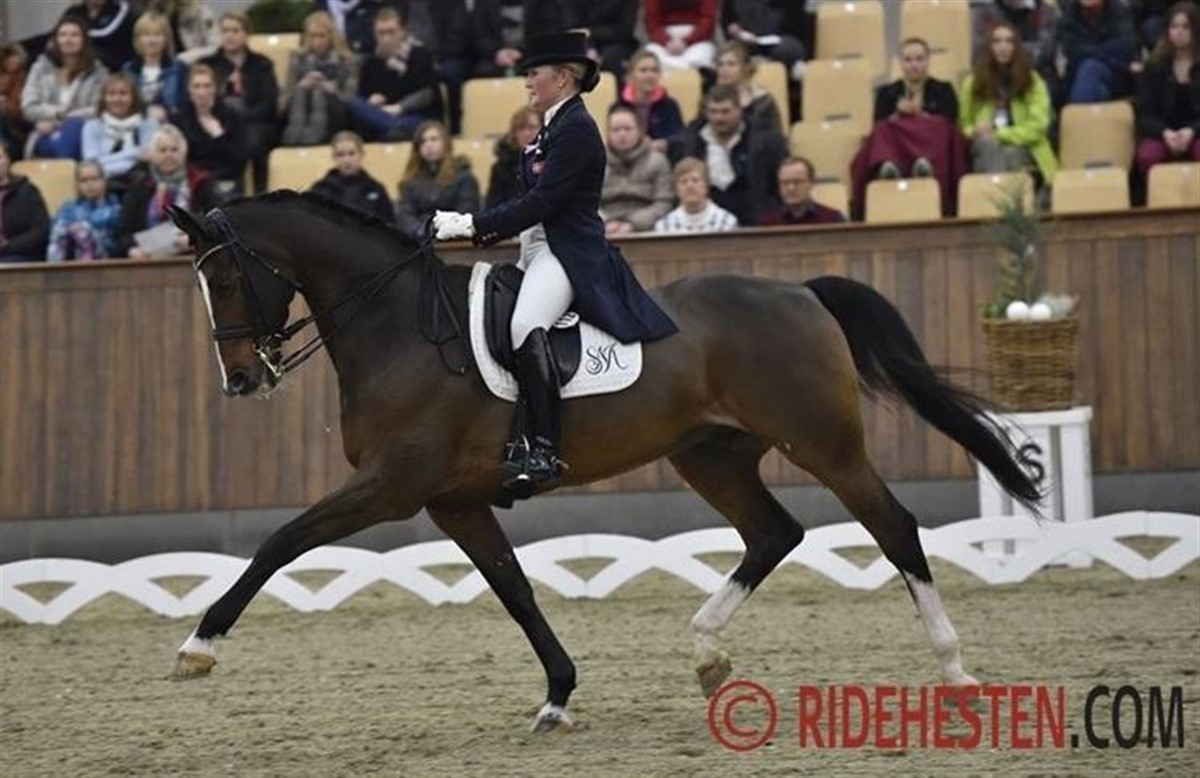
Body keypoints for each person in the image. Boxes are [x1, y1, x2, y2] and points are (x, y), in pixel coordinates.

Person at [430, 31, 677, 496]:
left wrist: (473, 224)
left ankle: (543, 447)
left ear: (562, 77)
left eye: (533, 73)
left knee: (525, 324)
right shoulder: (552, 127)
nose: (527, 82)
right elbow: (525, 202)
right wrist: (476, 226)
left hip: (568, 252)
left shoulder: (577, 128)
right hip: (537, 248)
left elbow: (543, 202)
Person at [849, 36, 968, 218]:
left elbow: (950, 122)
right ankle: (889, 166)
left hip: (930, 143)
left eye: (919, 59)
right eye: (908, 60)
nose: (914, 65)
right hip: (898, 144)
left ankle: (925, 167)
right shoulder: (887, 93)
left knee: (939, 126)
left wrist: (921, 114)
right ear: (901, 63)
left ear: (928, 61)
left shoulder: (943, 89)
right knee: (884, 128)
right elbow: (879, 123)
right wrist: (899, 115)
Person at [668, 83, 789, 226]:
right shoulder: (690, 142)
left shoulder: (765, 141)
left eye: (725, 112)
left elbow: (778, 184)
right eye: (713, 112)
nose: (719, 118)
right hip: (706, 222)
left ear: (739, 110)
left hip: (754, 220)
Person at [959, 22, 1058, 186]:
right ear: (989, 47)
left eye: (1008, 41)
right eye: (997, 41)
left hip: (1025, 146)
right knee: (988, 145)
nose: (1003, 47)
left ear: (1016, 47)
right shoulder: (972, 82)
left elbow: (1038, 126)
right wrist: (974, 130)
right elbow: (963, 125)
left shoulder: (1032, 81)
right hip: (985, 145)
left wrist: (1000, 134)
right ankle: (1005, 197)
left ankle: (996, 195)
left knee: (1008, 153)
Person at [200, 12, 279, 192]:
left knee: (252, 142)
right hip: (218, 120)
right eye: (225, 31)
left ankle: (260, 194)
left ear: (246, 34)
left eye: (235, 31)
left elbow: (268, 104)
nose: (229, 35)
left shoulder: (262, 64)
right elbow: (202, 99)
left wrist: (241, 119)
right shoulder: (208, 65)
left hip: (254, 122)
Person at [117, 124, 218, 258]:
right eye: (162, 150)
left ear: (184, 153)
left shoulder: (202, 182)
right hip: (149, 258)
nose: (169, 155)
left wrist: (195, 239)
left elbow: (216, 223)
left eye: (174, 150)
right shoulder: (139, 187)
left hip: (195, 256)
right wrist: (132, 249)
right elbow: (125, 233)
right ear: (152, 154)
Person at [346, 7, 441, 142]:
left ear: (402, 31)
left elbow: (428, 94)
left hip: (415, 116)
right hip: (380, 117)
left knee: (398, 130)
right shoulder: (371, 63)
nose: (386, 38)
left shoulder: (420, 55)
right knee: (354, 104)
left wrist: (400, 107)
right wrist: (371, 100)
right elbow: (363, 97)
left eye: (391, 32)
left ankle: (394, 127)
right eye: (381, 33)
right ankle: (393, 127)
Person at [21, 16, 109, 160]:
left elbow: (99, 108)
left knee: (74, 126)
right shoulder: (40, 68)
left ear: (84, 40)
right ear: (56, 40)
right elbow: (28, 107)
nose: (68, 40)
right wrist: (60, 114)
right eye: (63, 35)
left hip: (83, 135)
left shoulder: (98, 72)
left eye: (74, 35)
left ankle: (64, 168)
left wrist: (61, 119)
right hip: (45, 134)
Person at [1135, 1, 1200, 184]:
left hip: (1196, 131)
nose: (1179, 32)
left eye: (1186, 27)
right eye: (1174, 26)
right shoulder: (1153, 67)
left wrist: (1191, 130)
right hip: (1163, 132)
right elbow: (1145, 114)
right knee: (1147, 156)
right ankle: (1157, 199)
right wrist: (1165, 133)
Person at [281, 11, 360, 147]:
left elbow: (350, 98)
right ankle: (295, 136)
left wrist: (332, 90)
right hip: (302, 106)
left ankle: (314, 137)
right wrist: (301, 85)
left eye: (321, 36)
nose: (317, 41)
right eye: (313, 36)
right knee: (303, 92)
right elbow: (285, 97)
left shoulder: (347, 60)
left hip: (335, 111)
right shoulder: (298, 58)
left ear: (331, 36)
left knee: (319, 93)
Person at [394, 120, 481, 238]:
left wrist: (439, 231)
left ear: (446, 143)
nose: (428, 145)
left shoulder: (464, 177)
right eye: (423, 142)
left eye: (434, 139)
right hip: (418, 239)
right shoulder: (410, 181)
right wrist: (421, 232)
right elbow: (405, 215)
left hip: (454, 239)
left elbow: (467, 212)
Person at [173, 64, 245, 202]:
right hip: (191, 180)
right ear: (189, 89)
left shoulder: (231, 116)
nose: (202, 92)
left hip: (223, 179)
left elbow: (239, 161)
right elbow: (179, 159)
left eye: (207, 86)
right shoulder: (178, 119)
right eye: (197, 86)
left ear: (215, 88)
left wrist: (218, 135)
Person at [600, 104, 674, 234]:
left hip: (647, 231)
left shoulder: (658, 162)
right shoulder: (597, 163)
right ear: (608, 133)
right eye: (616, 130)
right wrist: (605, 223)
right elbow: (586, 203)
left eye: (627, 129)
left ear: (640, 130)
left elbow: (664, 203)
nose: (622, 134)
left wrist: (633, 224)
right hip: (604, 230)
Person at [81, 72, 159, 181]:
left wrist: (105, 164)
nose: (117, 99)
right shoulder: (92, 126)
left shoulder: (148, 123)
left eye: (123, 94)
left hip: (139, 181)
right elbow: (92, 165)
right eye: (111, 94)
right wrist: (134, 153)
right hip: (103, 183)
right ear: (104, 98)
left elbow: (150, 158)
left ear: (134, 97)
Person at [310, 130, 395, 224]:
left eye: (351, 153)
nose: (347, 160)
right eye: (340, 155)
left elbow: (389, 225)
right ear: (334, 157)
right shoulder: (320, 189)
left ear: (361, 154)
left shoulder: (376, 189)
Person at [1061, 0, 1138, 104]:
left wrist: (1091, 51)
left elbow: (1125, 47)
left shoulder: (1119, 10)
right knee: (1100, 90)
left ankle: (1079, 113)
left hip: (1116, 74)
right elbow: (1074, 53)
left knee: (1090, 68)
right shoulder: (1070, 14)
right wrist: (1111, 58)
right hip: (1080, 76)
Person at [47, 159, 122, 261]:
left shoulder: (116, 207)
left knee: (81, 231)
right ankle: (55, 269)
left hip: (106, 258)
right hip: (72, 256)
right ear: (77, 185)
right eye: (84, 180)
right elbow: (58, 235)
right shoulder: (69, 208)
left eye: (95, 179)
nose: (90, 184)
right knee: (60, 232)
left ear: (104, 181)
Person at [123, 11, 188, 123]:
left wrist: (167, 112)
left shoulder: (179, 68)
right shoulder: (128, 70)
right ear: (138, 39)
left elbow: (185, 106)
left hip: (171, 126)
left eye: (157, 35)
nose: (152, 40)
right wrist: (145, 112)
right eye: (146, 35)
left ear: (166, 39)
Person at [617, 49, 685, 153]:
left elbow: (680, 137)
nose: (650, 75)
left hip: (660, 155)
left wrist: (665, 143)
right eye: (643, 70)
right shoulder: (619, 106)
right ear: (631, 76)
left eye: (654, 70)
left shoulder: (669, 105)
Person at [714, 40, 784, 135]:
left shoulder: (764, 102)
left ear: (745, 68)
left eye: (731, 64)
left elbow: (775, 138)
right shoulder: (710, 100)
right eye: (720, 64)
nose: (724, 70)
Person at [653, 156, 739, 233]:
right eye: (684, 181)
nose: (690, 186)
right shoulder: (664, 227)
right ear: (676, 190)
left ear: (706, 186)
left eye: (695, 180)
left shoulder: (727, 223)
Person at [759, 157, 846, 226]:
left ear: (811, 184)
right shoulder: (768, 223)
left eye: (797, 182)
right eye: (785, 183)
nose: (791, 188)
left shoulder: (833, 220)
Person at [0, 145, 51, 262]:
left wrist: (7, 245)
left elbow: (40, 231)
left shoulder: (27, 191)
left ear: (8, 161)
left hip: (19, 256)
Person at [561, 1, 640, 75]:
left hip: (616, 42)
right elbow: (573, 27)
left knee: (611, 58)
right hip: (582, 40)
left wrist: (592, 33)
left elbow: (625, 29)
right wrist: (589, 48)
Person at [486, 105, 542, 208]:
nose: (526, 133)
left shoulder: (551, 161)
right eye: (521, 128)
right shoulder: (501, 167)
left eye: (532, 127)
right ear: (514, 133)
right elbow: (492, 205)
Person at [643, 0, 720, 72]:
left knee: (701, 61)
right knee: (651, 60)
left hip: (697, 38)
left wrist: (687, 41)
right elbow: (652, 19)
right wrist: (666, 41)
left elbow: (707, 19)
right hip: (662, 39)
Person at [65, 0, 138, 72]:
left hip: (121, 69)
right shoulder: (74, 12)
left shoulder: (121, 8)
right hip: (85, 67)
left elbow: (106, 33)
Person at [1, 44, 32, 159]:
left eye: (18, 71)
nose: (12, 78)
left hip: (20, 147)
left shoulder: (29, 91)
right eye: (4, 72)